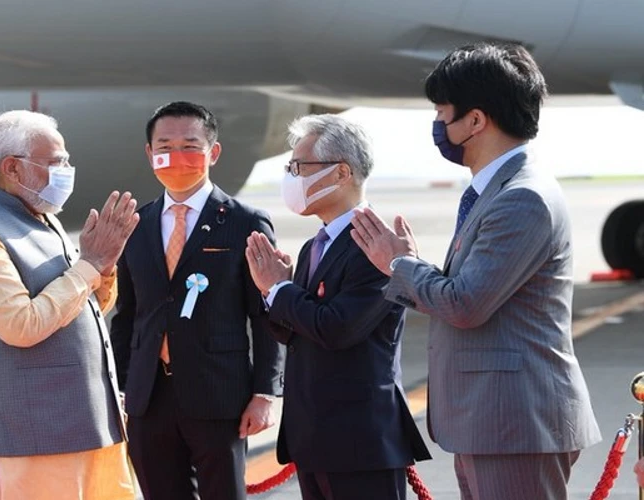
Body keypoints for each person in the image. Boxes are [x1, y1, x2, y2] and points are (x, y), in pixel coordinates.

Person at [351, 42, 601, 500]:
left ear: (476, 120)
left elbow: (466, 305)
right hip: (493, 424)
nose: (438, 125)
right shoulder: (500, 191)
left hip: (514, 424)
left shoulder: (521, 198)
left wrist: (397, 264)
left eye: (443, 112)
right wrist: (412, 265)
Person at [0, 110, 138, 500]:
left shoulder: (40, 217)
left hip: (83, 424)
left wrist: (104, 268)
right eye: (56, 162)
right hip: (20, 438)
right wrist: (89, 266)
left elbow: (84, 305)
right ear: (12, 168)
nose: (67, 171)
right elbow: (20, 325)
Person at [244, 114, 431, 500]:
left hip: (359, 441)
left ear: (341, 172)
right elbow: (296, 329)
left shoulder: (376, 243)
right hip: (317, 438)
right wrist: (269, 294)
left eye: (300, 167)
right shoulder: (316, 244)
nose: (292, 178)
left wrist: (279, 289)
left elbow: (337, 328)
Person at [110, 101, 284, 500]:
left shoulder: (244, 221)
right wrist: (119, 387)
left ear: (213, 152)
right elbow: (129, 314)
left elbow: (265, 314)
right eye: (165, 146)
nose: (177, 156)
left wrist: (265, 393)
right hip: (148, 399)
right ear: (150, 154)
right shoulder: (138, 224)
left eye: (190, 145)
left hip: (219, 396)